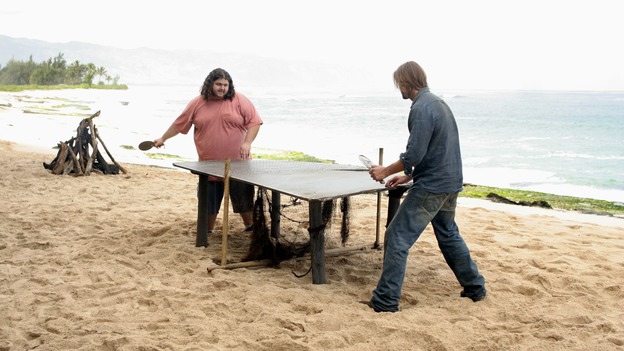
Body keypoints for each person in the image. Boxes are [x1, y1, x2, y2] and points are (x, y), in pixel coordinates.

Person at [364, 61, 486, 312]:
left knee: (397, 236)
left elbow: (415, 153)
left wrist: (385, 171)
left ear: (406, 83)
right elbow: (436, 150)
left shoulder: (420, 108)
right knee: (449, 234)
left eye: (399, 83)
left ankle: (385, 301)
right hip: (450, 182)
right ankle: (475, 288)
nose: (398, 88)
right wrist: (407, 176)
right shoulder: (439, 104)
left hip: (432, 186)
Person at [153, 68, 263, 233]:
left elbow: (254, 122)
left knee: (244, 202)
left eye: (225, 85)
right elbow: (179, 125)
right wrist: (163, 138)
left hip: (239, 164)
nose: (222, 88)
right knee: (209, 206)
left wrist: (247, 142)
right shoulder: (197, 103)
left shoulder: (239, 100)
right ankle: (208, 232)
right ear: (210, 84)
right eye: (218, 84)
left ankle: (250, 227)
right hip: (209, 165)